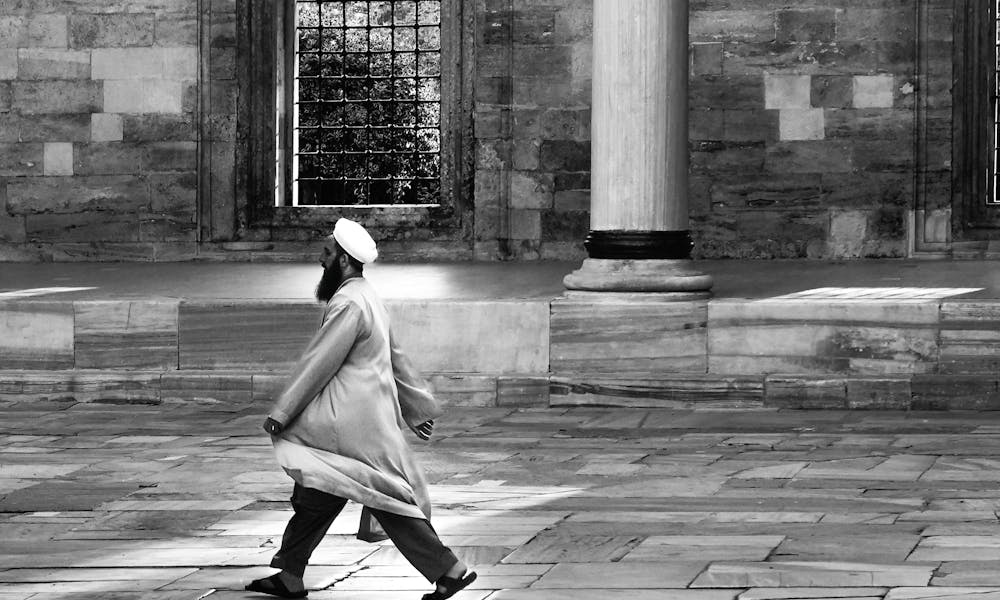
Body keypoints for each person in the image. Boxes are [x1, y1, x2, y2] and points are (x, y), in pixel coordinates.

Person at [245, 218, 476, 600]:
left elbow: (320, 361)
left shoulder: (349, 302)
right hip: (362, 420)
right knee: (317, 491)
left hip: (346, 425)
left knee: (382, 497)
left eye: (326, 253)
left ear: (345, 261)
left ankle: (449, 569)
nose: (320, 260)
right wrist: (415, 407)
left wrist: (282, 413)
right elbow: (395, 355)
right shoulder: (366, 294)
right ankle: (289, 573)